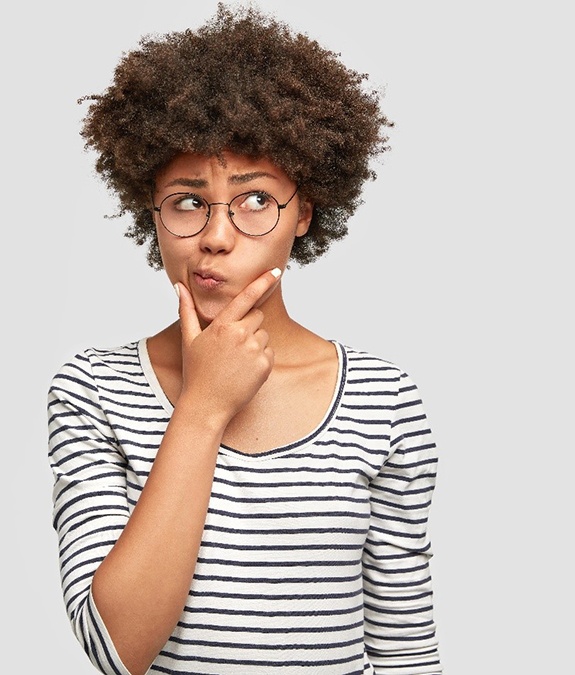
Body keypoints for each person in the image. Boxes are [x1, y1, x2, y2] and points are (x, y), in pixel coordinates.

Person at [47, 4, 442, 674]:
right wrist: (202, 406)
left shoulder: (383, 397)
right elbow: (117, 651)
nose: (217, 235)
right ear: (152, 213)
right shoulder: (93, 391)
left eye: (256, 199)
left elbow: (404, 648)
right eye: (187, 199)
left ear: (305, 212)